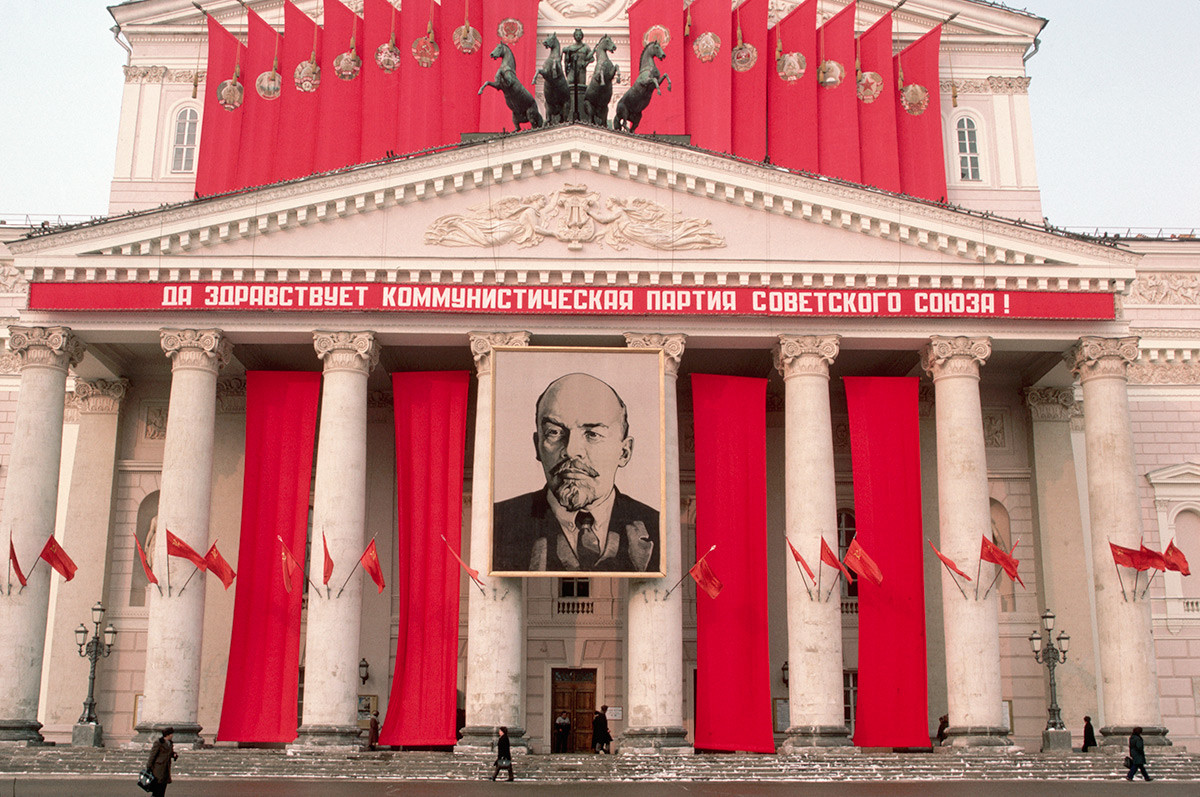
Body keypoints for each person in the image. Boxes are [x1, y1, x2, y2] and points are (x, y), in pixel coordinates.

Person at [492, 373, 659, 574]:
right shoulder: (498, 523)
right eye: (554, 432)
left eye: (592, 434)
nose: (571, 451)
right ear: (537, 446)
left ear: (624, 452)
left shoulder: (657, 527)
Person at [145, 726, 177, 797]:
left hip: (166, 767)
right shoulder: (159, 742)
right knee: (157, 788)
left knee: (163, 787)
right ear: (168, 735)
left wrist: (174, 755)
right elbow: (153, 755)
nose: (172, 736)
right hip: (158, 768)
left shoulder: (170, 743)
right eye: (171, 734)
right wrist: (149, 766)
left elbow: (169, 753)